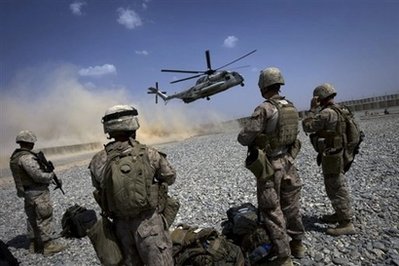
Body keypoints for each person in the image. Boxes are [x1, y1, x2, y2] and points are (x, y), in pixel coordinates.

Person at [89, 105, 176, 266]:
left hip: (120, 227)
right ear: (133, 126)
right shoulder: (149, 153)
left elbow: (99, 189)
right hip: (149, 225)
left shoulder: (98, 160)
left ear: (108, 129)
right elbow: (170, 177)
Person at [237, 67, 305, 266]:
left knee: (271, 210)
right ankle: (298, 244)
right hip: (289, 162)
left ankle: (284, 258)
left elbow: (244, 137)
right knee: (291, 206)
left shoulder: (265, 108)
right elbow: (294, 136)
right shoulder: (290, 106)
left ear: (263, 86)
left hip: (271, 166)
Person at [302, 83, 356, 236]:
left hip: (333, 155)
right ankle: (339, 214)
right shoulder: (342, 109)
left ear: (320, 98)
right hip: (343, 152)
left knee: (335, 186)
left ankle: (346, 222)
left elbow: (307, 126)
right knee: (337, 183)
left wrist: (312, 109)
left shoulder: (326, 113)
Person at [9, 130, 66, 255]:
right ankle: (48, 246)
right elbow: (38, 176)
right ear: (29, 142)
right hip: (38, 193)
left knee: (32, 218)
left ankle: (34, 245)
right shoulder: (27, 158)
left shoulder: (16, 157)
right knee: (44, 217)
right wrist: (51, 175)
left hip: (28, 193)